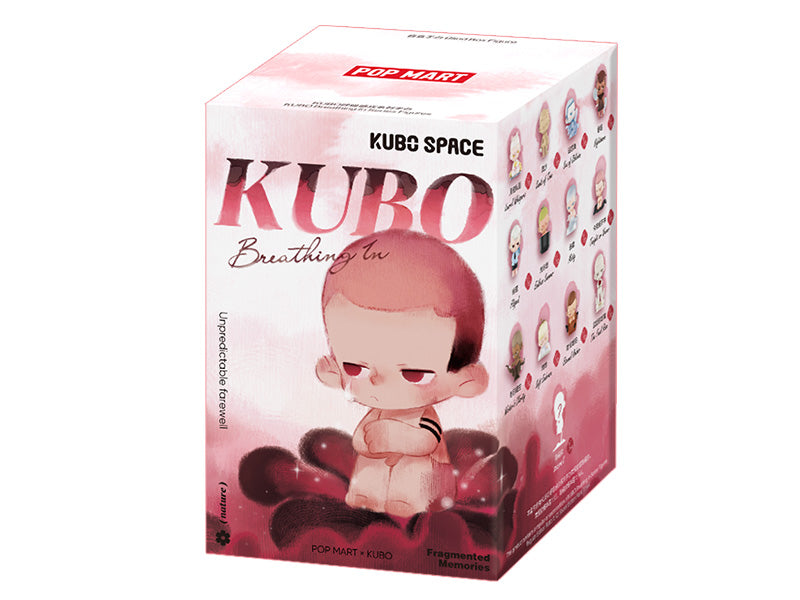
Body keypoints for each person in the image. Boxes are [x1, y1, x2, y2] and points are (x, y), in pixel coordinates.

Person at [315, 229, 488, 517]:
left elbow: (425, 441)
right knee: (369, 470)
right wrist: (366, 441)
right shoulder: (375, 413)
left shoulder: (424, 417)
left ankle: (411, 501)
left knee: (414, 472)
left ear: (465, 379)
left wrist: (392, 438)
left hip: (425, 476)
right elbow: (360, 440)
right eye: (355, 368)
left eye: (414, 374)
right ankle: (366, 494)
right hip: (376, 465)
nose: (377, 382)